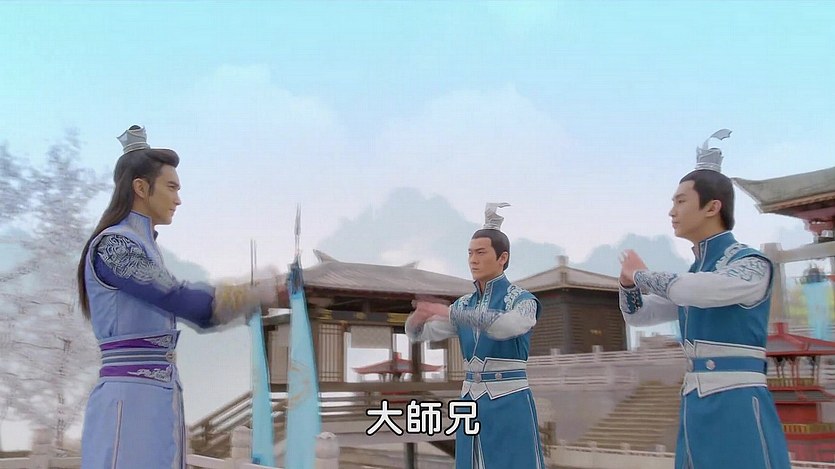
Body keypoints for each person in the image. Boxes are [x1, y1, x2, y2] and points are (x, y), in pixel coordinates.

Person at [76, 125, 277, 469]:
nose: (178, 199)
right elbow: (179, 298)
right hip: (129, 403)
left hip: (155, 398)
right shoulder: (115, 245)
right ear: (141, 188)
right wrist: (254, 293)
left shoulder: (143, 246)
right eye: (171, 187)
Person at [618, 129, 790, 468]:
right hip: (694, 402)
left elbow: (693, 290)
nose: (672, 211)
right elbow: (639, 316)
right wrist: (627, 285)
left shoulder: (751, 265)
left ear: (713, 206)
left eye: (681, 201)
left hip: (737, 401)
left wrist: (640, 275)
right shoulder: (696, 272)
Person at [405, 203, 545, 469]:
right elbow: (420, 334)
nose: (473, 260)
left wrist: (450, 313)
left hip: (509, 398)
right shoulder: (463, 304)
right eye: (470, 253)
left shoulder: (522, 300)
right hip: (470, 399)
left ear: (502, 258)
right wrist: (417, 318)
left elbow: (507, 326)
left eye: (481, 252)